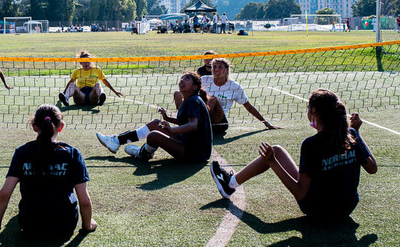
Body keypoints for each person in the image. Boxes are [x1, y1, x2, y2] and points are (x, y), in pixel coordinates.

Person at [210, 89, 377, 221]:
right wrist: (357, 133)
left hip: (318, 211)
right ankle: (230, 184)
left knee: (274, 154)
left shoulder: (312, 144)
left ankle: (230, 184)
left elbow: (301, 194)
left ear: (313, 111)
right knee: (277, 149)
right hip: (347, 208)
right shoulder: (352, 135)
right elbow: (372, 168)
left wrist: (273, 162)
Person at [0, 104, 97, 238]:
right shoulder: (72, 154)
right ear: (61, 127)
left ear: (34, 126)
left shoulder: (22, 152)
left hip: (30, 226)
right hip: (64, 226)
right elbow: (84, 200)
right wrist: (88, 226)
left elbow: (4, 193)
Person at [97, 72, 212, 163]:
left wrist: (172, 130)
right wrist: (168, 119)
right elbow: (185, 121)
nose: (182, 80)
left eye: (187, 79)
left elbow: (193, 125)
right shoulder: (189, 100)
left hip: (195, 153)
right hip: (188, 143)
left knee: (154, 136)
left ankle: (141, 153)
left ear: (195, 86)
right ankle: (117, 141)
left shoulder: (193, 101)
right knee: (156, 123)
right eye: (182, 78)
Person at [197, 57, 280, 134]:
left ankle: (199, 124)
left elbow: (248, 106)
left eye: (220, 67)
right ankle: (192, 123)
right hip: (200, 116)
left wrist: (266, 123)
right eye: (214, 67)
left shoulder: (234, 87)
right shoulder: (205, 79)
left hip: (219, 122)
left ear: (226, 70)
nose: (216, 69)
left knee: (212, 99)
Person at [59, 50, 123, 106]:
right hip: (80, 96)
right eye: (84, 61)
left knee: (98, 85)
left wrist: (115, 92)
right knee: (72, 85)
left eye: (88, 61)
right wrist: (64, 93)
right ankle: (66, 98)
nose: (86, 63)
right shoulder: (77, 71)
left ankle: (101, 99)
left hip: (92, 96)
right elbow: (70, 83)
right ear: (81, 62)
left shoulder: (96, 69)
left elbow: (105, 81)